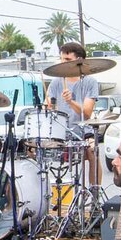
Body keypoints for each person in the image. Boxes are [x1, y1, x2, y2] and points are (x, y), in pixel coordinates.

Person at [46, 41, 100, 185]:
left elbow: (87, 113)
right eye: (62, 59)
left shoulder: (90, 82)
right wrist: (48, 108)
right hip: (60, 133)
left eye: (67, 60)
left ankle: (95, 194)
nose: (63, 63)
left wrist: (71, 102)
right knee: (33, 150)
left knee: (93, 151)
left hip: (83, 133)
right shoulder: (56, 82)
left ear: (79, 61)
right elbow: (50, 108)